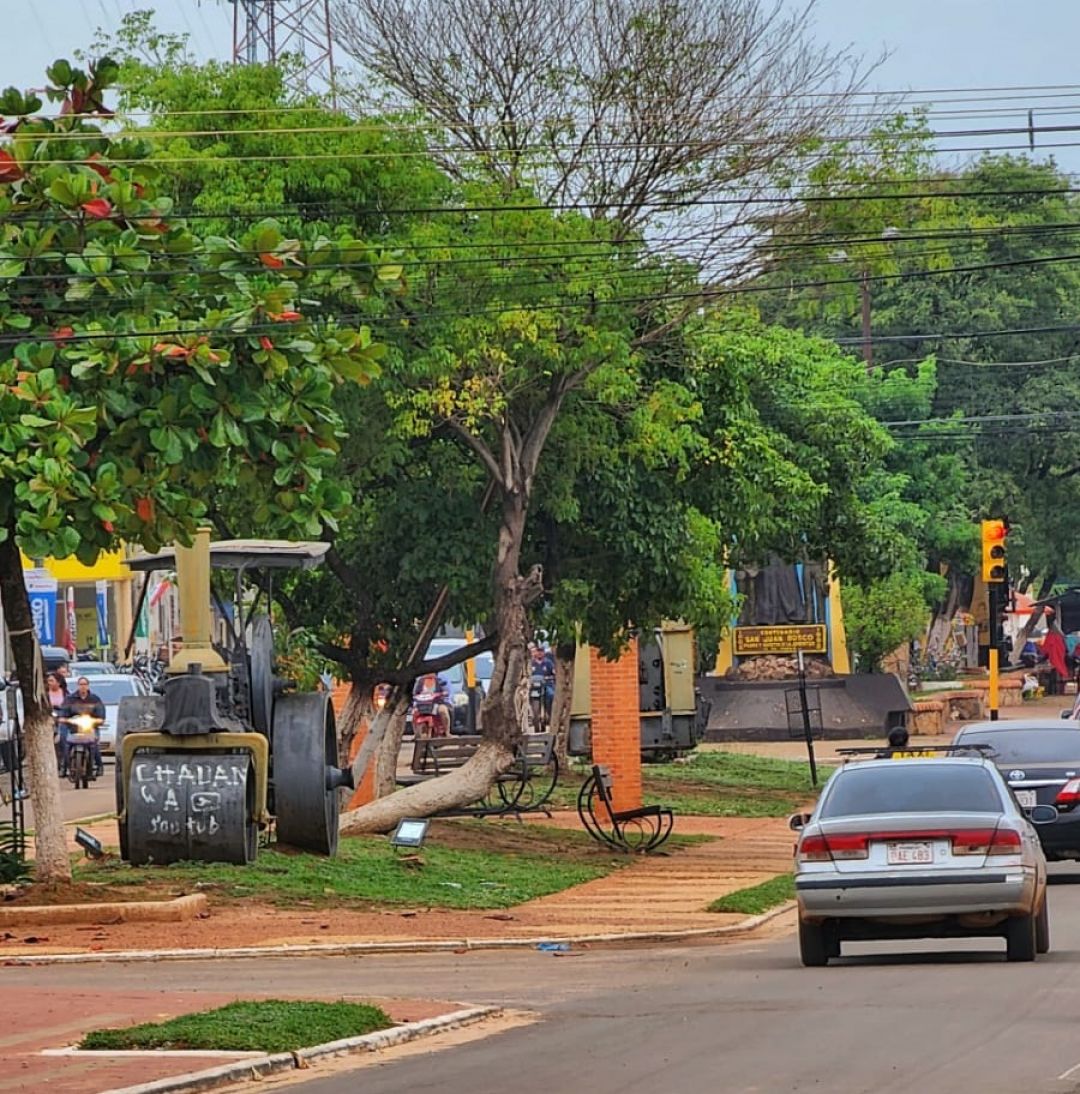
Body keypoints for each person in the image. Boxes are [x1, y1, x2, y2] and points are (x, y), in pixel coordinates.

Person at [58, 676, 106, 777]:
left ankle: (99, 765)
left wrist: (97, 721)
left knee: (95, 744)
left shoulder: (95, 699)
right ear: (78, 686)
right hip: (73, 728)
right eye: (81, 684)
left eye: (85, 684)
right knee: (65, 743)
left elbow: (101, 716)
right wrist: (65, 719)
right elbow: (62, 714)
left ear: (88, 686)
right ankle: (64, 767)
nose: (83, 687)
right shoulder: (70, 699)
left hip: (90, 727)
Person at [528, 644, 556, 731]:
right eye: (538, 651)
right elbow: (527, 673)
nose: (539, 653)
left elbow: (554, 672)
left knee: (551, 694)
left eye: (541, 651)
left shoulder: (548, 662)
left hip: (546, 684)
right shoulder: (531, 663)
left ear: (544, 652)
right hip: (534, 686)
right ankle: (534, 715)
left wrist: (552, 676)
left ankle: (550, 713)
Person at [47, 671, 69, 774]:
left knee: (63, 740)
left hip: (62, 719)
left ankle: (64, 764)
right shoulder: (45, 694)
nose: (49, 683)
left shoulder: (66, 694)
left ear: (58, 682)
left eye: (52, 680)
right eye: (48, 681)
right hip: (49, 719)